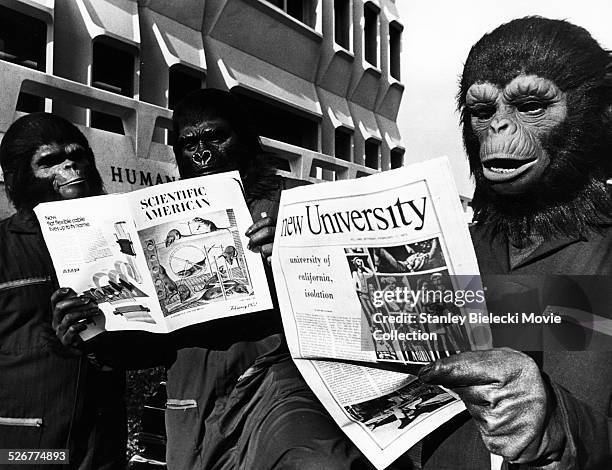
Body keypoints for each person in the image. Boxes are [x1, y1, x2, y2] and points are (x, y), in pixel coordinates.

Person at [53, 89, 370, 470]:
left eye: (216, 137)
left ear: (248, 140)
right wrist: (92, 334)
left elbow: (358, 312)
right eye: (189, 144)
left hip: (282, 390)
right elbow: (151, 348)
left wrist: (301, 258)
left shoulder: (296, 206)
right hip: (197, 407)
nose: (202, 153)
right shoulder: (154, 221)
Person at [0, 113, 126, 469]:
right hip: (23, 445)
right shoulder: (3, 245)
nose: (70, 165)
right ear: (18, 176)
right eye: (50, 161)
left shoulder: (115, 238)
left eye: (77, 155)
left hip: (101, 446)